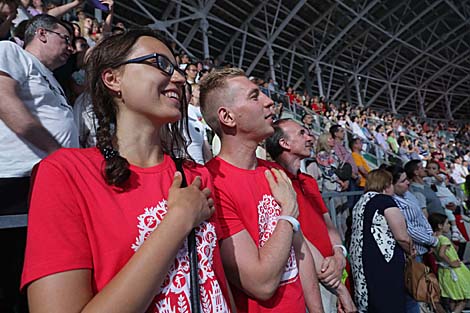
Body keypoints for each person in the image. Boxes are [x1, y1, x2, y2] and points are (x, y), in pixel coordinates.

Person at [21, 28, 231, 312]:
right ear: (113, 78)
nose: (180, 79)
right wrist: (178, 220)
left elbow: (215, 285)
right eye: (161, 64)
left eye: (179, 70)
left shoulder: (197, 176)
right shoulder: (65, 172)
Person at [199, 68, 323, 312]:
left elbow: (299, 251)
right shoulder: (213, 183)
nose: (269, 102)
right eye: (254, 97)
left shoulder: (274, 171)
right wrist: (287, 212)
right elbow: (260, 284)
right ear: (228, 117)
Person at [0, 14, 77, 312]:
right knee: (11, 272)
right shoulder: (10, 52)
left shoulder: (53, 80)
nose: (70, 47)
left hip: (46, 184)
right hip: (16, 183)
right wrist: (57, 153)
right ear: (42, 34)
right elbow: (5, 102)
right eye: (65, 39)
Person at [266, 119, 356, 313]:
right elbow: (295, 237)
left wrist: (340, 253)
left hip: (334, 269)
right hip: (313, 276)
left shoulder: (308, 181)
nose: (310, 137)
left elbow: (327, 223)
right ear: (284, 143)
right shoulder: (273, 180)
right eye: (302, 133)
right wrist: (333, 280)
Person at [349, 169, 414, 313]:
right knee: (390, 303)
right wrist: (411, 251)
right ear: (386, 185)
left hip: (362, 262)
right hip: (384, 262)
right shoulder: (384, 200)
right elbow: (401, 236)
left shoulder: (360, 202)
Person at [385, 165, 438, 313]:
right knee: (413, 295)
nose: (407, 183)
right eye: (402, 181)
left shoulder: (409, 195)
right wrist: (432, 241)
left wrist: (430, 235)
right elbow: (408, 229)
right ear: (392, 185)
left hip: (423, 248)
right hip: (411, 253)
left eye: (407, 179)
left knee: (424, 291)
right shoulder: (394, 202)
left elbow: (421, 217)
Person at [428, 213, 470, 313]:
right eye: (447, 223)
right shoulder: (444, 239)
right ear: (440, 225)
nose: (449, 225)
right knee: (463, 298)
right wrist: (451, 263)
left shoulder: (434, 240)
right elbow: (442, 254)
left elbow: (436, 254)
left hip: (444, 272)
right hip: (454, 272)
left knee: (453, 297)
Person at [184, 84, 212, 164]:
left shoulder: (197, 121)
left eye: (183, 90)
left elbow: (207, 154)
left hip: (200, 171)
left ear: (189, 96)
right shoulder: (166, 120)